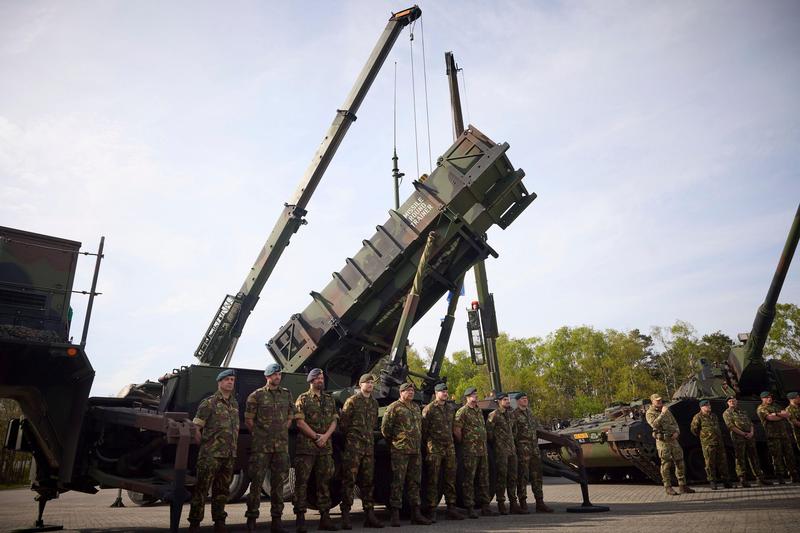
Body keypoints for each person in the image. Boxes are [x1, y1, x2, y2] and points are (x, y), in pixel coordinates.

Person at [243, 363, 295, 533]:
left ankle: (277, 521)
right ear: (267, 377)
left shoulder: (287, 394)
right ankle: (251, 520)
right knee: (256, 484)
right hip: (261, 447)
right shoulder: (256, 396)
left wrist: (283, 429)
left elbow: (290, 416)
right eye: (274, 375)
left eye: (279, 374)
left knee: (278, 484)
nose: (277, 377)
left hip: (280, 447)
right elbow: (249, 421)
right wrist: (261, 435)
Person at [188, 369, 240, 533]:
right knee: (201, 490)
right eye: (227, 380)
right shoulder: (208, 403)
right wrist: (204, 447)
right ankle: (194, 524)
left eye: (232, 380)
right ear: (219, 382)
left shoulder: (234, 403)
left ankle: (219, 522)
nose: (230, 382)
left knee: (222, 491)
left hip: (228, 455)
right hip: (210, 456)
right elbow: (196, 428)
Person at [294, 368, 339, 532]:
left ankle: (325, 518)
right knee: (302, 483)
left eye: (322, 377)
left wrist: (325, 437)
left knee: (324, 483)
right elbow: (299, 422)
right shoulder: (303, 399)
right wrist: (315, 437)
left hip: (325, 448)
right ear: (311, 381)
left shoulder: (329, 399)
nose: (321, 380)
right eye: (318, 378)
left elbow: (334, 420)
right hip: (307, 448)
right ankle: (300, 519)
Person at [381, 381, 431, 527]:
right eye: (407, 390)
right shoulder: (394, 408)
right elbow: (386, 430)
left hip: (415, 451)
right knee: (398, 482)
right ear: (401, 393)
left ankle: (416, 513)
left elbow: (420, 427)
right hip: (400, 451)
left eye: (412, 390)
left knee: (415, 482)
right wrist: (396, 442)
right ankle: (395, 514)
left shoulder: (415, 407)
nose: (411, 392)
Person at [338, 374, 383, 529]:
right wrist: (353, 439)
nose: (370, 385)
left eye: (372, 383)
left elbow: (374, 424)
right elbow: (344, 425)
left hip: (368, 448)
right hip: (354, 448)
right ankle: (345, 515)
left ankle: (369, 514)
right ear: (360, 384)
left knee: (368, 482)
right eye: (367, 382)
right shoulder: (352, 401)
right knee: (349, 481)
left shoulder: (374, 403)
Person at [421, 383, 465, 521]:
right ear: (436, 393)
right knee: (433, 480)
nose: (445, 393)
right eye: (442, 391)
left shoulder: (450, 408)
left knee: (450, 479)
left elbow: (453, 426)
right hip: (435, 448)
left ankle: (451, 508)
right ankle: (432, 509)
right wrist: (430, 444)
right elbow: (424, 430)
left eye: (446, 391)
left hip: (449, 447)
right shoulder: (429, 409)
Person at [454, 387, 497, 518]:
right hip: (470, 451)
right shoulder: (462, 411)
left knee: (483, 479)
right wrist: (465, 443)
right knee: (469, 480)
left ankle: (485, 507)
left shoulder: (478, 410)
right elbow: (457, 430)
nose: (476, 396)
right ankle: (470, 507)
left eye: (476, 394)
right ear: (467, 397)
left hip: (482, 451)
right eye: (473, 395)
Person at [511, 392, 553, 513]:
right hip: (522, 449)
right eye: (523, 399)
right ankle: (523, 502)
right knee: (523, 476)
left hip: (534, 448)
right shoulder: (514, 415)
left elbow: (538, 427)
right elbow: (512, 433)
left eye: (526, 398)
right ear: (518, 401)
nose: (525, 400)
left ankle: (540, 502)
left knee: (537, 476)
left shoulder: (530, 413)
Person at [645, 393, 694, 496]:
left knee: (680, 462)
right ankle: (668, 487)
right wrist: (662, 414)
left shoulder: (666, 410)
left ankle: (682, 485)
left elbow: (674, 423)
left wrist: (677, 432)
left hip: (673, 440)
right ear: (652, 402)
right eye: (657, 400)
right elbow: (654, 424)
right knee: (666, 464)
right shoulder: (650, 412)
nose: (659, 401)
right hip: (663, 442)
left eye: (660, 400)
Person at [722, 396, 770, 487]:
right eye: (730, 401)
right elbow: (731, 426)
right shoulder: (727, 413)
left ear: (737, 402)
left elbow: (750, 423)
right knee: (740, 458)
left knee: (754, 457)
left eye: (734, 400)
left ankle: (760, 478)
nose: (732, 402)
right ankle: (742, 479)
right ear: (728, 403)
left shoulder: (743, 412)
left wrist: (751, 433)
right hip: (738, 438)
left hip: (750, 437)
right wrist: (743, 434)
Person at [486, 393, 522, 514]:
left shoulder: (511, 415)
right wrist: (498, 444)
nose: (508, 401)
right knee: (501, 478)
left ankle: (513, 504)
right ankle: (501, 503)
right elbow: (489, 435)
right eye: (505, 399)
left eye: (508, 399)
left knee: (513, 477)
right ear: (499, 401)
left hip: (512, 451)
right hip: (500, 451)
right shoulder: (494, 415)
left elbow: (515, 432)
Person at [756, 391, 798, 484]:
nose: (769, 398)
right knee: (777, 457)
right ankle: (780, 477)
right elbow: (770, 418)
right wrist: (780, 415)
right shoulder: (761, 408)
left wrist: (776, 414)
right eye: (766, 397)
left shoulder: (776, 405)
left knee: (789, 455)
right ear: (762, 399)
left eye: (770, 397)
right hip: (773, 436)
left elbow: (787, 414)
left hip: (784, 435)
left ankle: (793, 475)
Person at [689, 399, 732, 489]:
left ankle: (726, 481)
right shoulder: (698, 417)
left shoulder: (714, 415)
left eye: (709, 405)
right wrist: (705, 437)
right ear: (701, 407)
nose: (709, 407)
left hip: (719, 442)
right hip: (708, 443)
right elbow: (694, 430)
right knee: (710, 463)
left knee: (723, 462)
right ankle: (712, 481)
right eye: (706, 405)